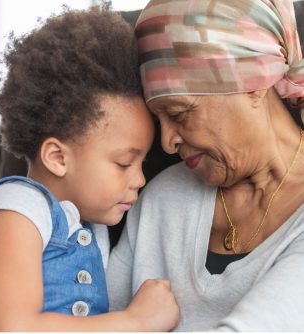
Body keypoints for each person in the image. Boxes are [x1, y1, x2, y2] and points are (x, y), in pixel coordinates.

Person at [0, 7, 180, 332]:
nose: (139, 179)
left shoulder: (88, 228)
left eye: (143, 164)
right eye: (124, 163)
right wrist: (135, 321)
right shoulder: (16, 209)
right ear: (57, 157)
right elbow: (9, 327)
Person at [107, 0, 304, 331]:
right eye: (159, 120)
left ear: (254, 84)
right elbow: (93, 316)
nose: (167, 142)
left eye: (180, 113)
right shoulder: (162, 197)